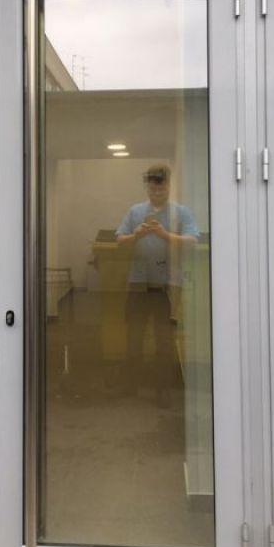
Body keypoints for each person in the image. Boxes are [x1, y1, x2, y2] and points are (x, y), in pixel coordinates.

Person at [115, 164, 199, 406]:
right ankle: (130, 386)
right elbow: (120, 241)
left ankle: (163, 391)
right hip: (138, 283)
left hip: (168, 285)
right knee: (134, 336)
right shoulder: (135, 211)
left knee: (164, 339)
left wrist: (164, 234)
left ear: (169, 185)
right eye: (153, 187)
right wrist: (136, 235)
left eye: (161, 187)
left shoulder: (181, 212)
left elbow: (193, 242)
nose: (157, 191)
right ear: (147, 186)